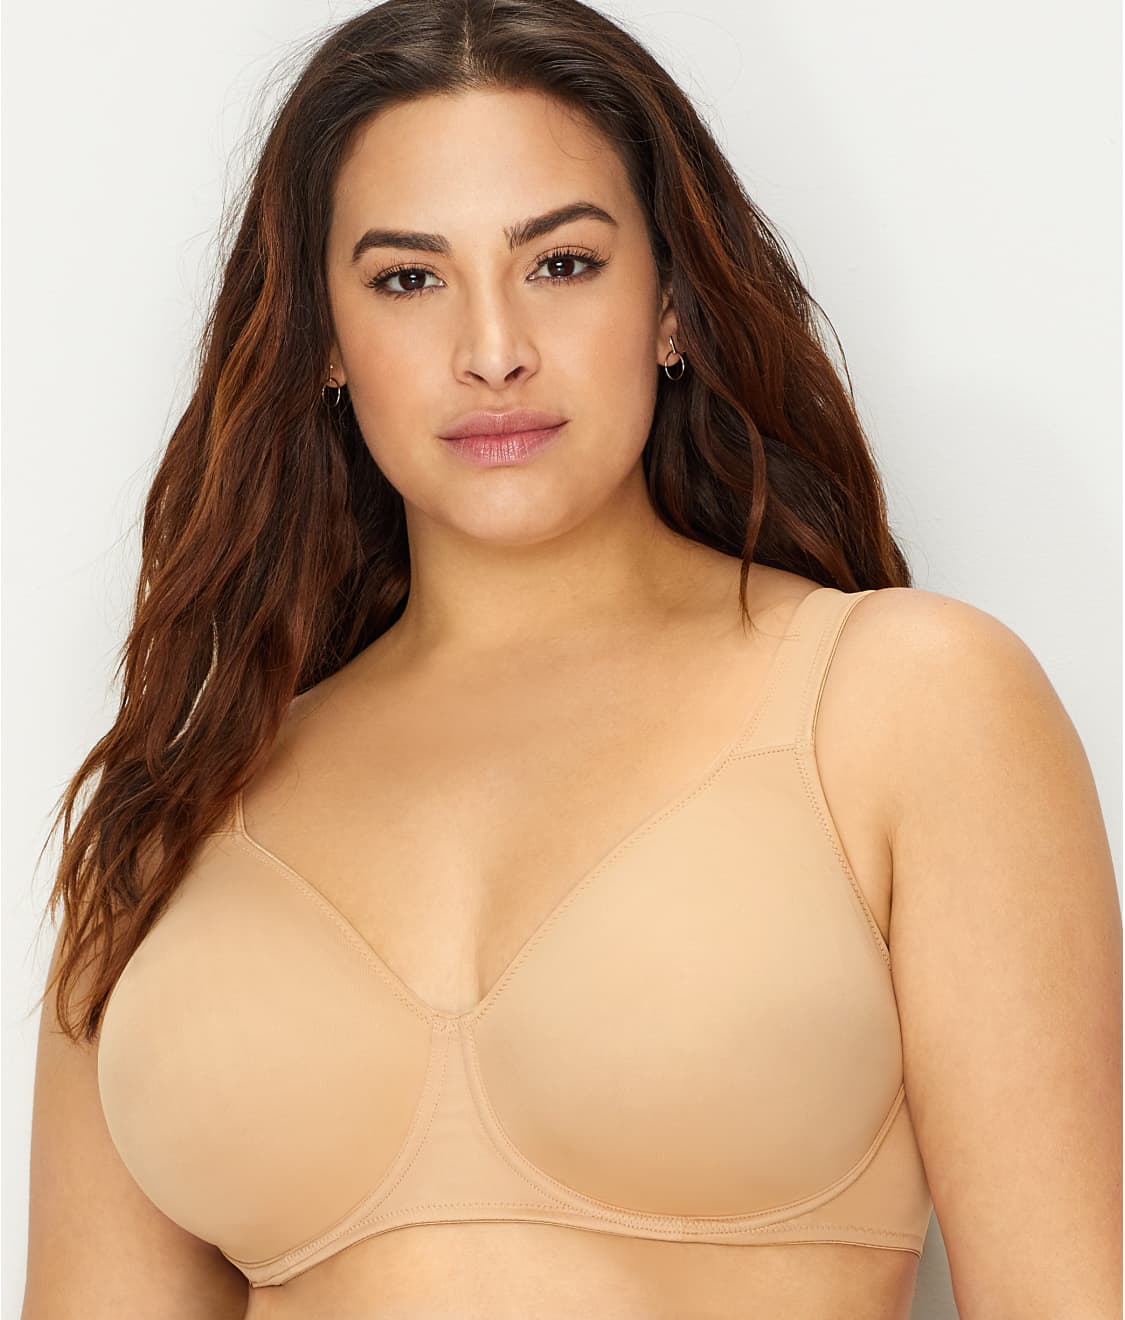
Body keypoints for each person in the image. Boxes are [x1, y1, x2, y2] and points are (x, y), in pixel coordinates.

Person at [23, 1, 1121, 1317]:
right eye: (407, 279)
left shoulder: (902, 703)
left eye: (560, 263)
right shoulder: (170, 814)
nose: (493, 351)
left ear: (671, 305)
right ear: (322, 340)